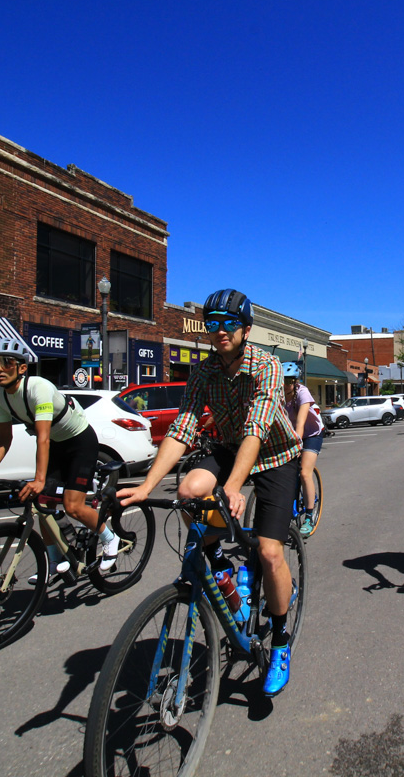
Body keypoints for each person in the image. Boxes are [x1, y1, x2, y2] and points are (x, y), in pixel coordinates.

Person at [117, 289, 302, 697]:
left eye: (229, 324)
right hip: (230, 446)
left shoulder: (267, 366)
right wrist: (146, 485)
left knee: (270, 551)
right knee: (189, 490)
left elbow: (257, 428)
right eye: (213, 323)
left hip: (274, 454)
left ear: (246, 330)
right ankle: (219, 562)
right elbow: (183, 427)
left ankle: (281, 642)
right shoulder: (202, 372)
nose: (220, 331)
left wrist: (234, 486)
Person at [0, 337, 119, 582]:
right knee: (43, 505)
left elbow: (43, 437)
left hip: (80, 441)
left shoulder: (38, 387)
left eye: (6, 362)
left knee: (73, 506)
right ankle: (56, 560)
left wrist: (40, 479)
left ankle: (109, 539)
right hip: (58, 446)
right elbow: (3, 438)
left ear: (21, 367)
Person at [281, 361, 324, 536]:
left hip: (311, 434)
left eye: (291, 380)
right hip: (291, 434)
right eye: (283, 380)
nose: (287, 384)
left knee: (305, 472)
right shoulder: (276, 394)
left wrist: (297, 444)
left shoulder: (302, 392)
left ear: (296, 381)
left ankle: (309, 515)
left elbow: (300, 422)